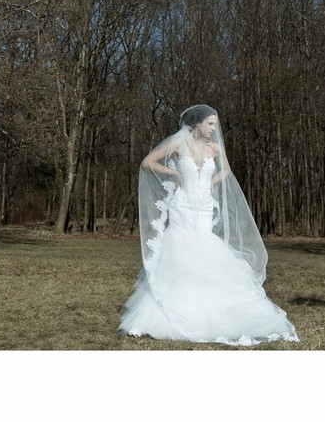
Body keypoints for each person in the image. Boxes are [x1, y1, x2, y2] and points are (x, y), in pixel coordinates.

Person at [118, 104, 299, 345]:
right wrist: (174, 174)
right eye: (210, 123)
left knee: (204, 250)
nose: (214, 128)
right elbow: (147, 162)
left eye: (215, 124)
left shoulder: (214, 148)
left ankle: (210, 311)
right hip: (182, 204)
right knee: (180, 249)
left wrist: (213, 181)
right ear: (198, 123)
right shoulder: (178, 143)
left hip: (204, 206)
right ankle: (168, 312)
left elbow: (227, 170)